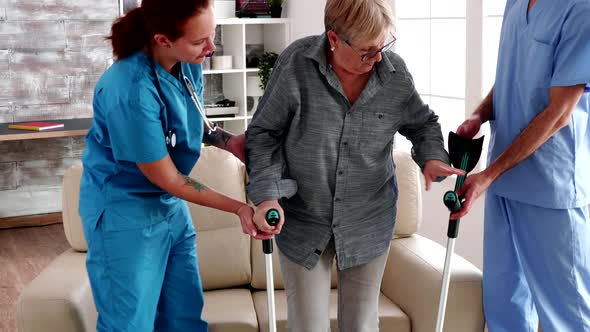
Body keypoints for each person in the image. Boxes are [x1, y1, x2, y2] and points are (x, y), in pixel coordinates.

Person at [244, 0, 465, 330]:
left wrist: (432, 156)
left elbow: (422, 124)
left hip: (368, 220)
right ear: (334, 39)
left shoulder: (394, 74)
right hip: (304, 219)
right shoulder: (296, 65)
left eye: (382, 47)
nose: (377, 59)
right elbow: (263, 134)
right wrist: (266, 195)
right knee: (308, 325)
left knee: (361, 325)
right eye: (366, 51)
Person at [79, 1, 267, 330]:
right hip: (125, 213)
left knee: (183, 317)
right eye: (199, 41)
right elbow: (168, 178)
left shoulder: (187, 61)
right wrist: (240, 208)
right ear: (163, 39)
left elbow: (181, 126)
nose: (211, 48)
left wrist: (227, 141)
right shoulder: (130, 90)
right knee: (130, 323)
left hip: (170, 210)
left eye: (213, 35)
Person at [453, 0, 590, 331]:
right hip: (502, 180)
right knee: (504, 306)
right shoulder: (515, 3)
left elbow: (559, 113)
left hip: (550, 186)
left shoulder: (581, 9)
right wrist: (479, 114)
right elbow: (508, 73)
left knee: (567, 316)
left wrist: (488, 175)